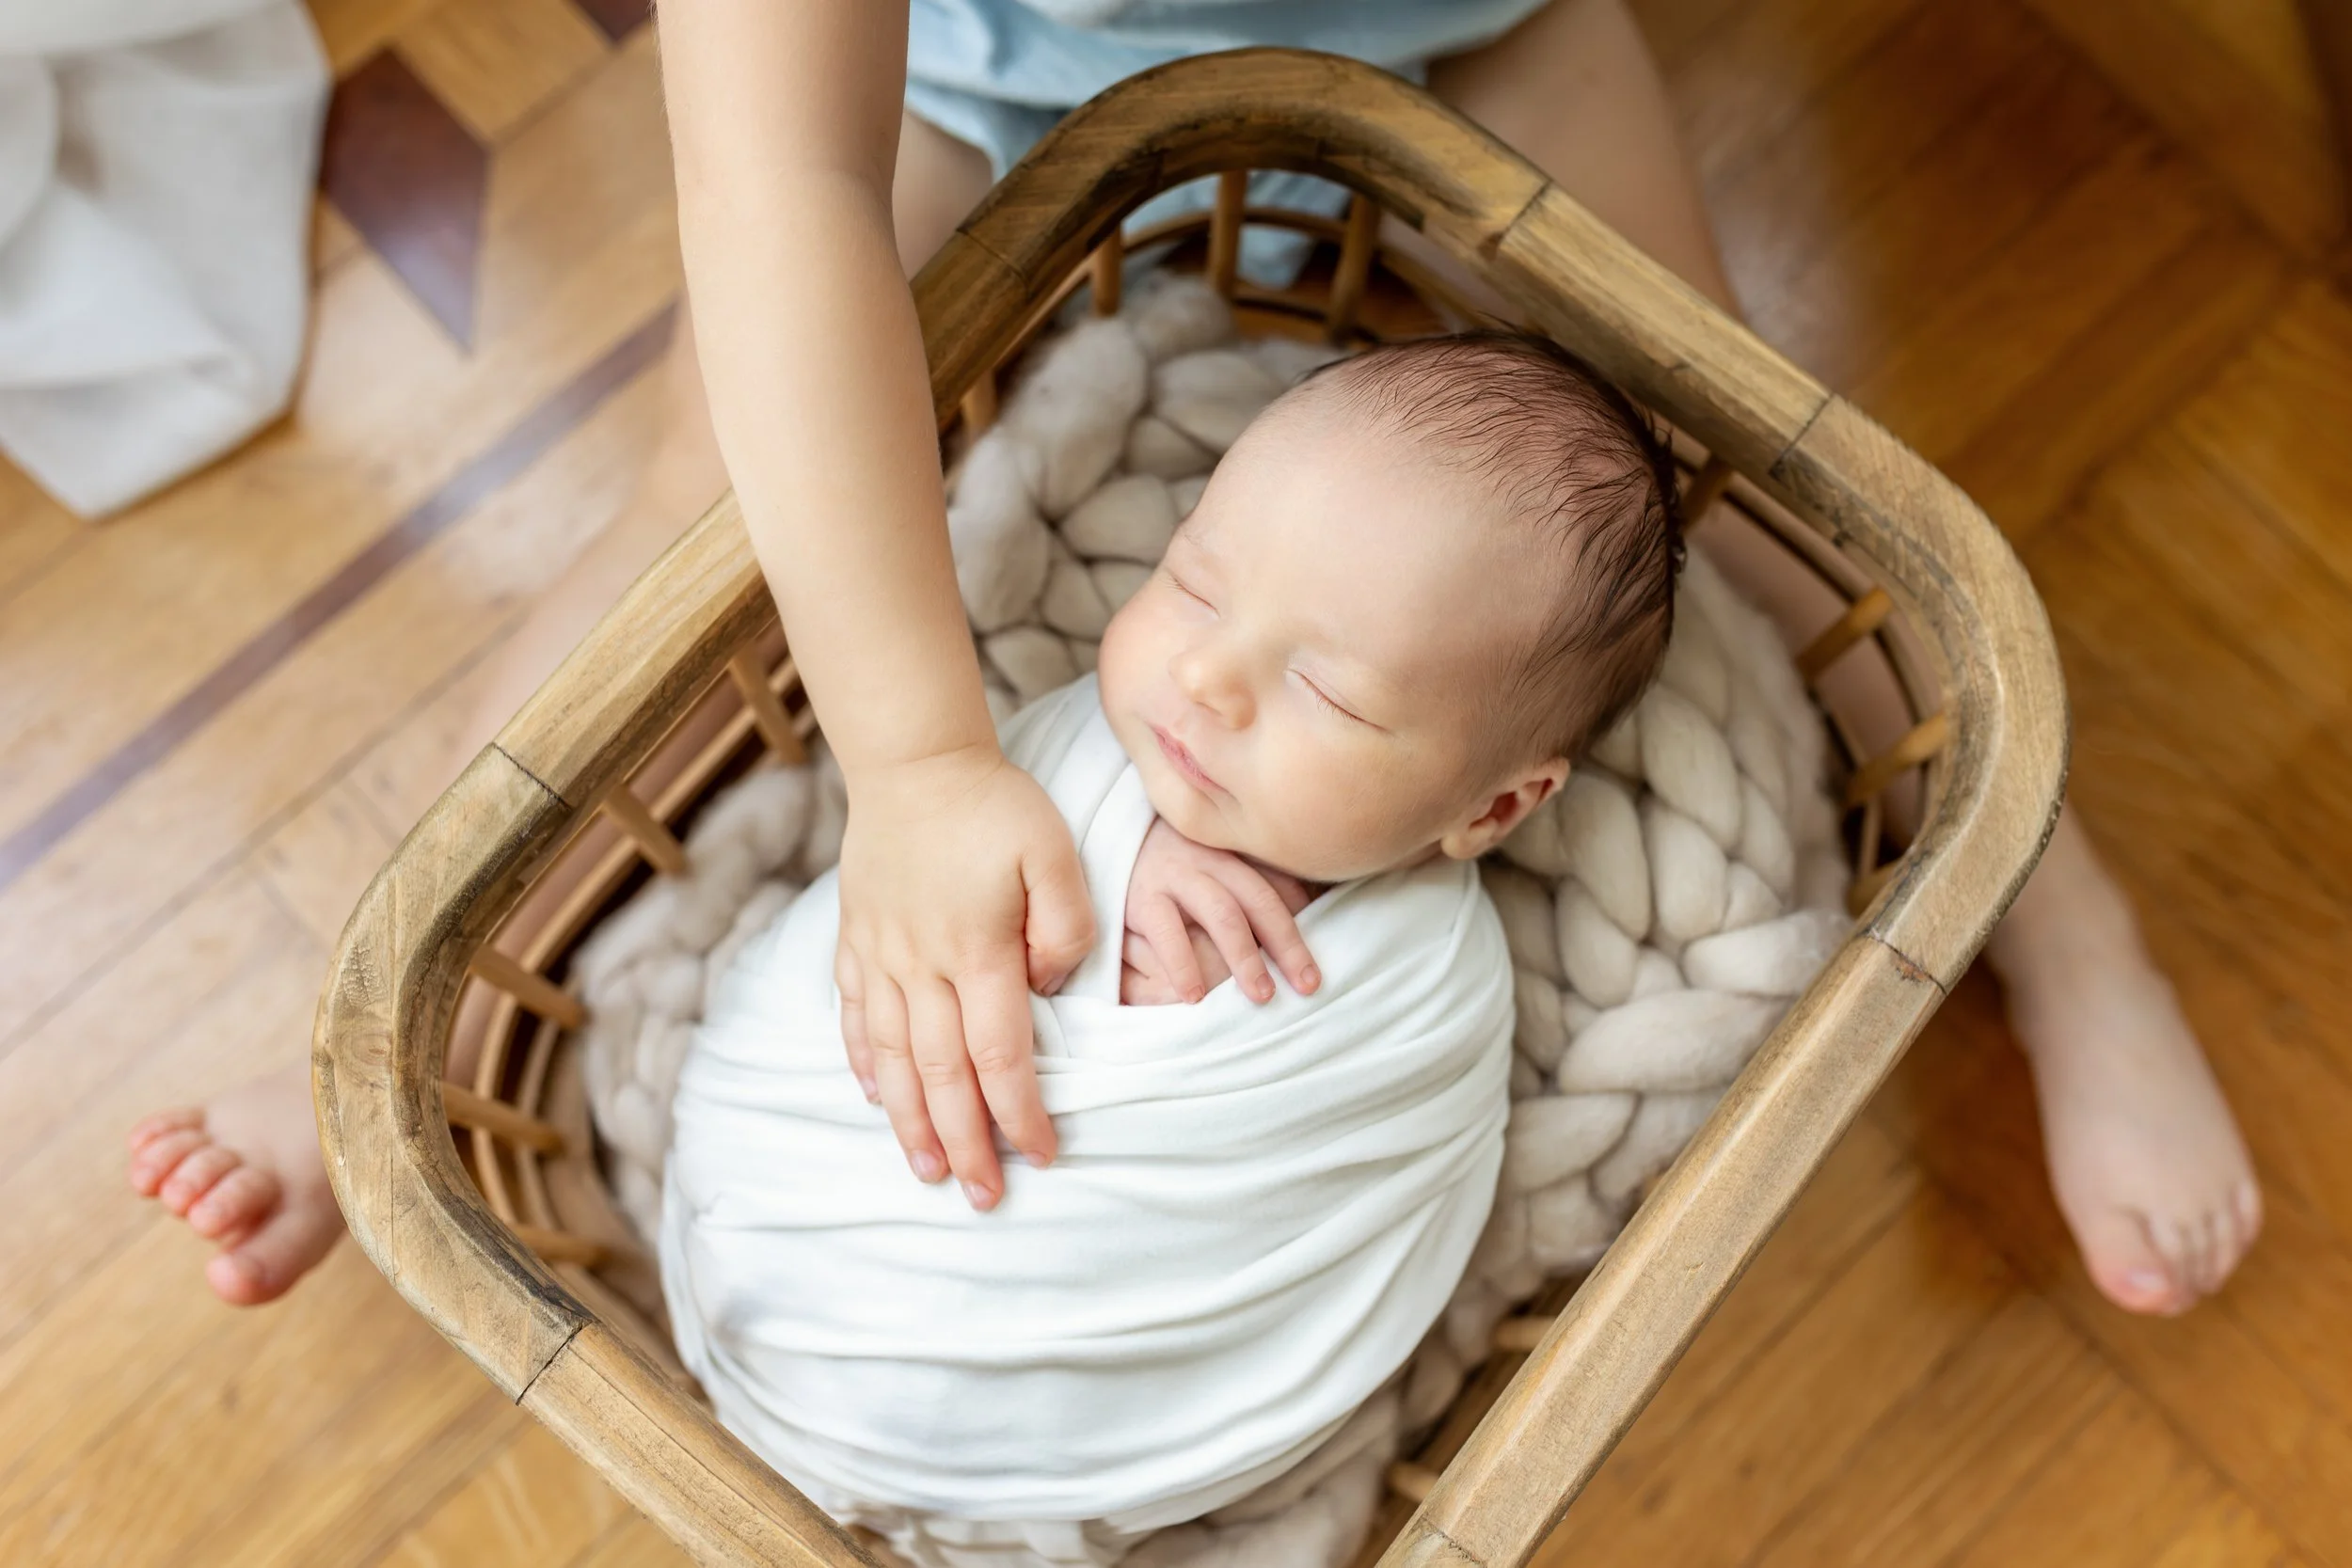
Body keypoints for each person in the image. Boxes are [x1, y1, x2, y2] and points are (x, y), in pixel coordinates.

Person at [127, 0, 2258, 1320]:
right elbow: (766, 183)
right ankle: (395, 1013)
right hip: (955, 73)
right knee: (676, 555)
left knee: (1777, 476)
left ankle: (2055, 916)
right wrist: (916, 755)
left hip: (1466, 22)